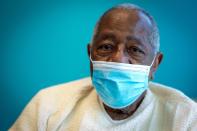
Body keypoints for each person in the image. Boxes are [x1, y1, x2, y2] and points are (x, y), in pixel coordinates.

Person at [9, 3, 197, 131]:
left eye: (134, 50)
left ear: (155, 64)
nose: (117, 59)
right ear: (90, 55)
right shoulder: (47, 106)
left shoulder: (184, 117)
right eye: (106, 47)